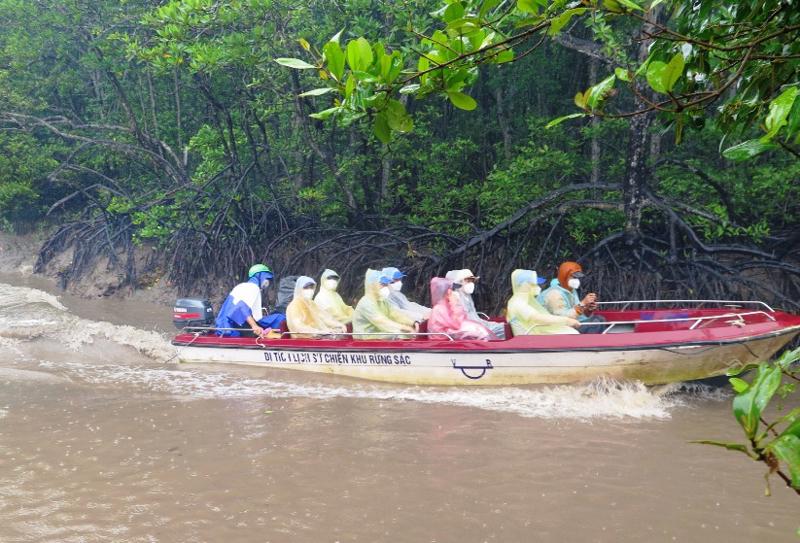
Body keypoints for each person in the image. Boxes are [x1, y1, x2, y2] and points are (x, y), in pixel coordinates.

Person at [214, 264, 286, 336]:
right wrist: (254, 326)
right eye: (266, 277)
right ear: (259, 275)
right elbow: (241, 306)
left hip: (225, 327)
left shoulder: (241, 286)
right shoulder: (253, 287)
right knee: (280, 318)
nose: (267, 281)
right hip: (234, 327)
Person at [506, 269, 579, 335]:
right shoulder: (518, 303)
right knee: (571, 334)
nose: (537, 286)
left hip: (535, 334)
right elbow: (538, 318)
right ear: (525, 285)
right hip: (530, 340)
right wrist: (566, 320)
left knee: (570, 332)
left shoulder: (525, 300)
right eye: (533, 284)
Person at [540, 261, 606, 334]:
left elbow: (578, 315)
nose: (576, 280)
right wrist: (583, 304)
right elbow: (562, 318)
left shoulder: (571, 290)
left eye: (577, 278)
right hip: (553, 328)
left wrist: (587, 310)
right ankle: (587, 344)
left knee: (599, 319)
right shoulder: (554, 294)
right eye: (573, 277)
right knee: (595, 323)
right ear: (564, 276)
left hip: (568, 325)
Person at [352, 269, 418, 340]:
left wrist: (412, 322)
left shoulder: (381, 300)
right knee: (397, 335)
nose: (386, 287)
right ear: (372, 285)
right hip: (364, 339)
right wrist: (403, 328)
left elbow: (394, 314)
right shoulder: (366, 303)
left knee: (405, 335)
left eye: (387, 284)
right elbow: (381, 321)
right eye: (383, 284)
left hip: (377, 334)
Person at [444, 269, 506, 339]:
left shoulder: (466, 295)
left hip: (475, 326)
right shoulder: (454, 298)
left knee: (503, 327)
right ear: (458, 282)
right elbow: (458, 322)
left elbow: (474, 318)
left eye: (472, 281)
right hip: (468, 330)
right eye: (468, 281)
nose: (471, 283)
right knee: (498, 331)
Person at [428, 277, 493, 340]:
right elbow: (456, 324)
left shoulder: (446, 305)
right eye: (452, 289)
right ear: (444, 291)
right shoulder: (439, 309)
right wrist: (455, 303)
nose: (454, 291)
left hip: (449, 333)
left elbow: (462, 318)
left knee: (479, 330)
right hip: (442, 338)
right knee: (478, 332)